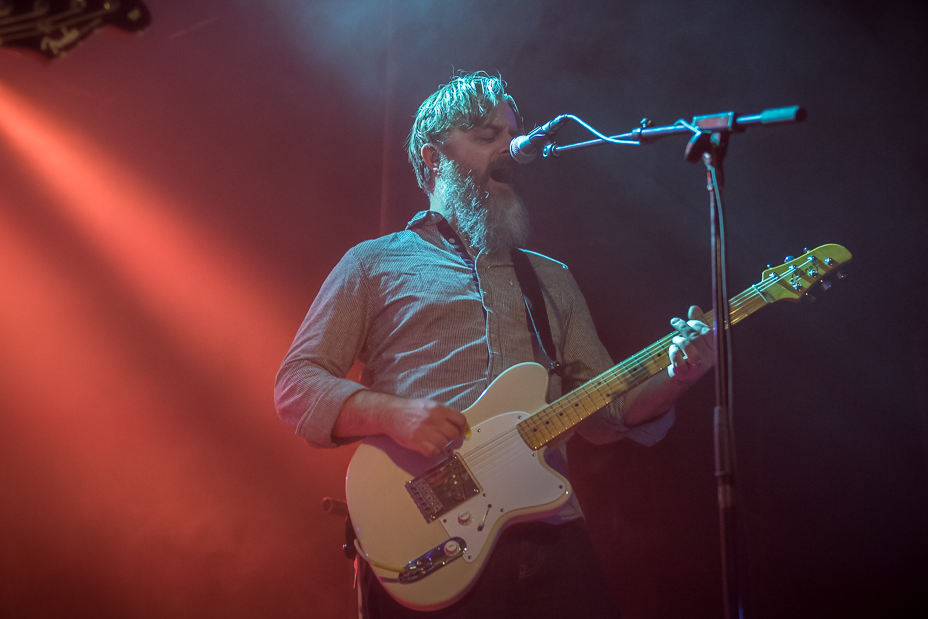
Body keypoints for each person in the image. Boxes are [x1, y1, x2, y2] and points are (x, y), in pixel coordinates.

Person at [274, 72, 714, 618]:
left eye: (511, 133)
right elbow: (298, 384)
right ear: (433, 159)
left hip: (552, 537)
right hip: (428, 539)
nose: (509, 148)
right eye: (487, 136)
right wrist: (392, 414)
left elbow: (610, 416)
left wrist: (678, 376)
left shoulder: (551, 279)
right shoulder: (374, 263)